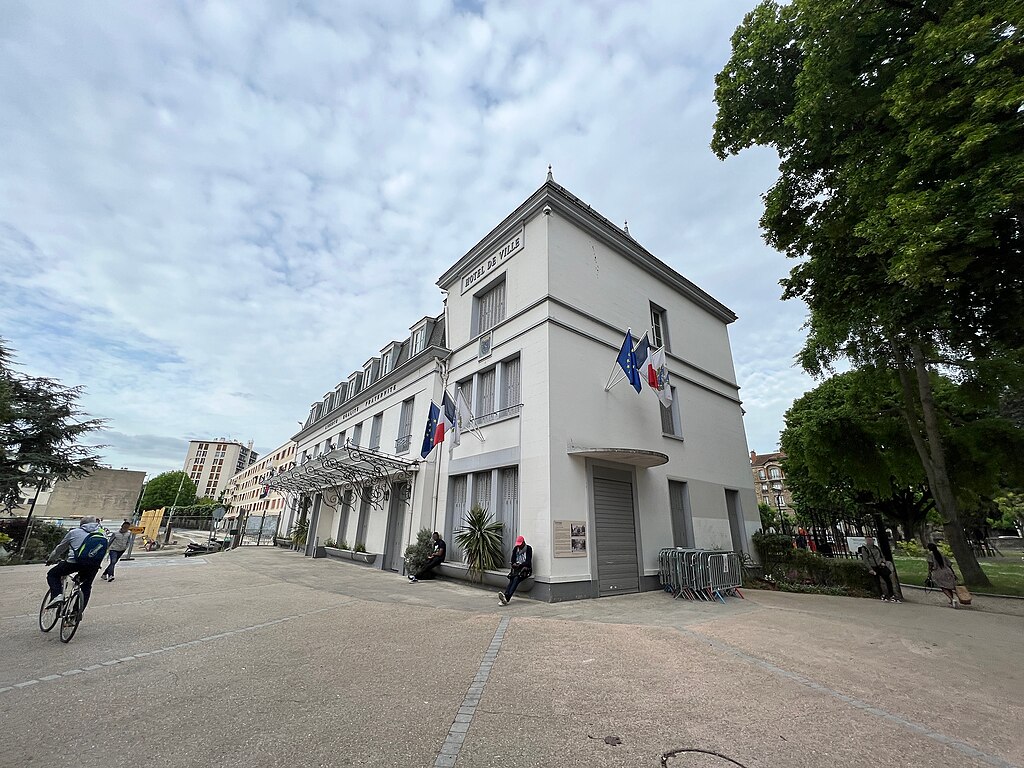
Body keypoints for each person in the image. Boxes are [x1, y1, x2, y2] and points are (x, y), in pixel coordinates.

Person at [45, 516, 109, 611]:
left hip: (74, 563)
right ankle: (75, 615)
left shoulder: (74, 532)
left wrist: (51, 559)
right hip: (93, 565)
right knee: (86, 587)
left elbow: (60, 549)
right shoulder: (102, 533)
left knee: (52, 574)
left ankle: (57, 595)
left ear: (81, 524)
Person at [859, 534, 900, 603]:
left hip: (880, 565)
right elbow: (865, 560)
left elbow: (882, 555)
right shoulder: (865, 549)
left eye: (871, 540)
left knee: (887, 579)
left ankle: (891, 595)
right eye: (868, 540)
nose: (870, 541)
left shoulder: (876, 548)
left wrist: (883, 562)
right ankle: (882, 595)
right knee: (877, 582)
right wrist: (870, 569)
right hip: (873, 566)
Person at [498, 535, 533, 605]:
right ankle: (505, 596)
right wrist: (514, 564)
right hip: (516, 570)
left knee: (516, 579)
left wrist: (520, 565)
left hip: (525, 570)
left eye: (520, 545)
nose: (519, 547)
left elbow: (528, 562)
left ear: (523, 543)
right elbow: (512, 560)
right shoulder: (515, 549)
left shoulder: (528, 549)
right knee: (512, 579)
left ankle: (506, 598)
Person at [926, 542, 959, 608]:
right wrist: (953, 573)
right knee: (949, 586)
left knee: (943, 587)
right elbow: (949, 564)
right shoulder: (941, 554)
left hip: (938, 572)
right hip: (947, 571)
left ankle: (952, 599)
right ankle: (952, 600)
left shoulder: (930, 555)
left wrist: (929, 573)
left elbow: (930, 565)